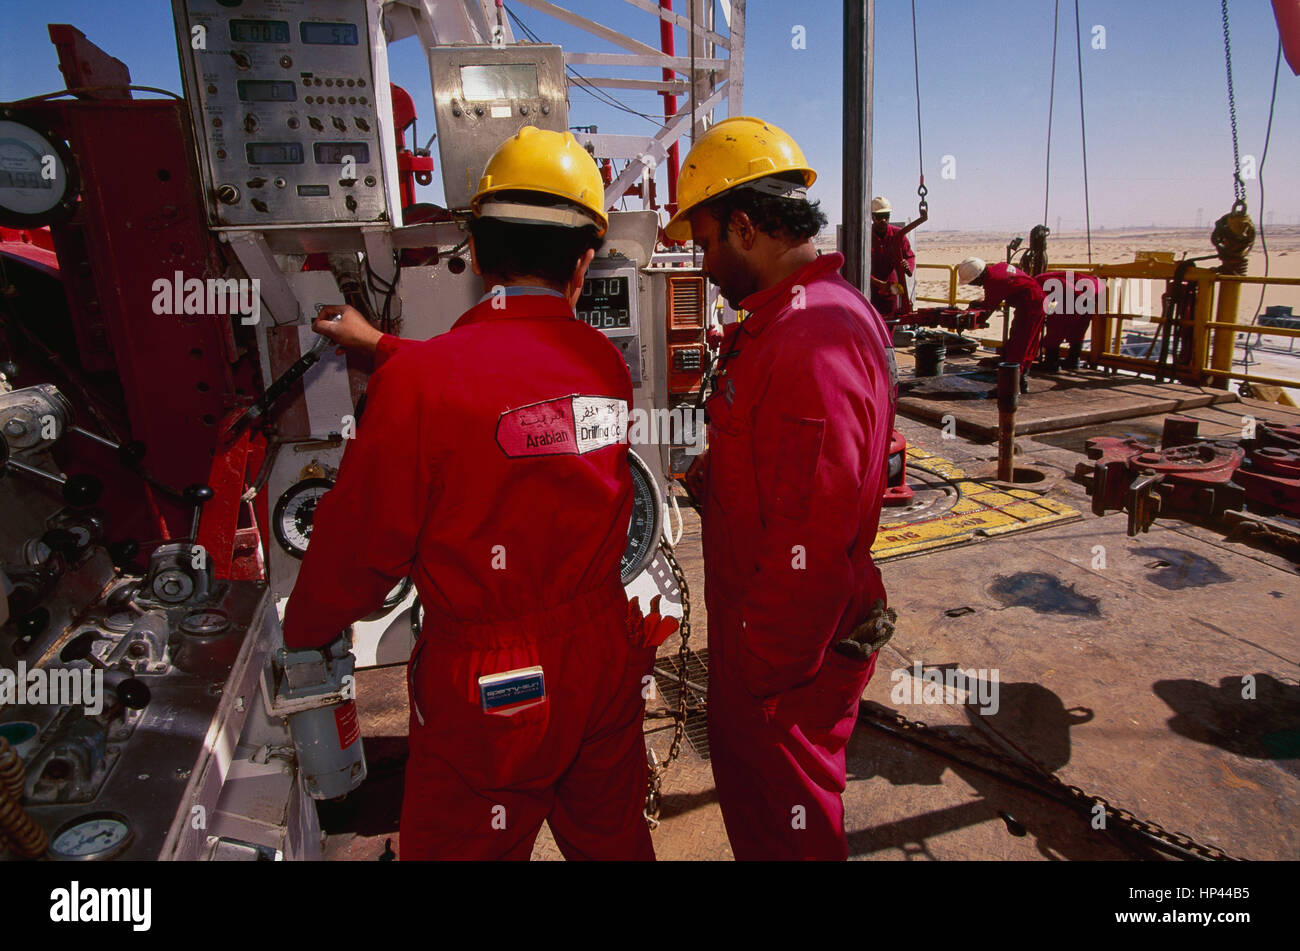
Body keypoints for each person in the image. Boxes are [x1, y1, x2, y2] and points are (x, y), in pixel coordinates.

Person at [281, 127, 656, 861]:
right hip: (604, 653)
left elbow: (362, 549)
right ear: (584, 260)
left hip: (495, 684)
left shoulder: (423, 386)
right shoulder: (605, 364)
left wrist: (303, 630)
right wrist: (388, 352)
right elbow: (512, 400)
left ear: (477, 252)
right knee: (612, 837)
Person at [667, 117, 897, 860]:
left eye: (704, 243)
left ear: (744, 226)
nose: (702, 264)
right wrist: (722, 474)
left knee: (787, 829)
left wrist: (758, 675)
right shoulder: (788, 322)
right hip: (767, 647)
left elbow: (813, 536)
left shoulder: (807, 342)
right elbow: (793, 475)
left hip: (782, 662)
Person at [957, 256, 1047, 386]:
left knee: (1022, 341)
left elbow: (987, 308)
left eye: (972, 282)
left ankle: (1015, 380)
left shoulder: (995, 282)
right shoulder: (997, 268)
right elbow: (993, 297)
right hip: (1030, 302)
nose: (974, 285)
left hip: (1033, 304)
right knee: (1019, 335)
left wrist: (967, 321)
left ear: (978, 277)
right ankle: (1017, 368)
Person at [869, 196, 915, 317]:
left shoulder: (898, 235)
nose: (883, 220)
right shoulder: (865, 237)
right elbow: (857, 265)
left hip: (892, 288)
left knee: (891, 319)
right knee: (871, 321)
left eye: (886, 216)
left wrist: (907, 266)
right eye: (879, 217)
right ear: (872, 217)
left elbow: (909, 256)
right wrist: (878, 283)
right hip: (869, 288)